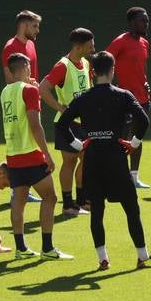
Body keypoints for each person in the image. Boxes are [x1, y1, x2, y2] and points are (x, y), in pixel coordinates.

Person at [58, 51, 151, 270]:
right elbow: (143, 120)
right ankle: (142, 256)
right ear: (113, 70)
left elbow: (62, 124)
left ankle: (103, 259)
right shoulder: (123, 95)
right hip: (116, 159)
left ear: (92, 72)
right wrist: (133, 143)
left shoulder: (83, 98)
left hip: (93, 160)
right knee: (131, 209)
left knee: (96, 210)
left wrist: (79, 144)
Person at [0, 53, 69, 259]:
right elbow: (35, 125)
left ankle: (21, 248)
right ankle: (47, 248)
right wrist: (47, 154)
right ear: (25, 67)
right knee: (50, 197)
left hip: (13, 155)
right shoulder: (29, 90)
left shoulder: (5, 92)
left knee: (18, 202)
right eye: (29, 67)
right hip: (30, 154)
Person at [40, 28, 96, 216]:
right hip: (68, 124)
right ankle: (68, 204)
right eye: (90, 46)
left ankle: (82, 200)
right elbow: (43, 88)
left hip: (86, 123)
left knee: (87, 159)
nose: (93, 49)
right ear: (78, 47)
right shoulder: (62, 66)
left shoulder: (86, 64)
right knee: (70, 162)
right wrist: (59, 107)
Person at [107, 7, 151, 188]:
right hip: (124, 100)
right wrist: (111, 86)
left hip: (143, 99)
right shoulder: (120, 42)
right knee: (121, 139)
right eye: (143, 21)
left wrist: (146, 81)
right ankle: (118, 177)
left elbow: (143, 66)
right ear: (132, 22)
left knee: (137, 138)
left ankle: (134, 178)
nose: (146, 24)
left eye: (147, 21)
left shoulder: (144, 43)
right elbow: (103, 62)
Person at [1, 10, 42, 83]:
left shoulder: (31, 44)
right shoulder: (10, 47)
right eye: (34, 26)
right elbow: (9, 81)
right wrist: (29, 84)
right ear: (23, 25)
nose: (38, 30)